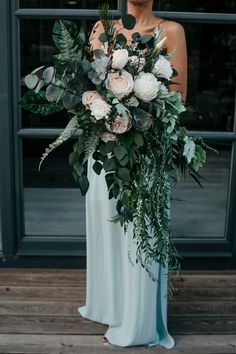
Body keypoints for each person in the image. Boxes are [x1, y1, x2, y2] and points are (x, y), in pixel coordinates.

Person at [77, 0, 187, 348]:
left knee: (142, 232)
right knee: (106, 229)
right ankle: (110, 306)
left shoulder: (170, 30)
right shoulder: (102, 28)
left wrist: (140, 105)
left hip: (145, 150)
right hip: (104, 151)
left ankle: (137, 324)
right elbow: (87, 86)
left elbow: (179, 95)